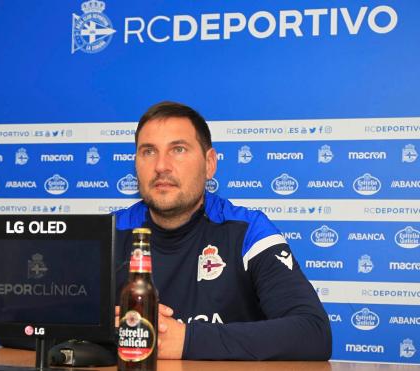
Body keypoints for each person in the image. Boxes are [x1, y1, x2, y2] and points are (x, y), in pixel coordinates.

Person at [114, 101, 332, 361]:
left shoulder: (248, 231)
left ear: (210, 164)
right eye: (148, 151)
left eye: (178, 149)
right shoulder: (107, 234)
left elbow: (313, 333)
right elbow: (60, 331)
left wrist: (187, 339)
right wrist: (104, 329)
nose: (161, 165)